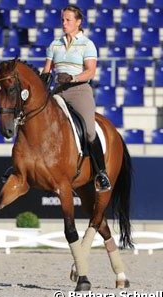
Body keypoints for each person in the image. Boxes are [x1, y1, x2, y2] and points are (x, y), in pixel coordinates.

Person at [41, 5, 111, 192]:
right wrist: (43, 81)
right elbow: (47, 70)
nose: (64, 23)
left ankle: (101, 173)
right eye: (63, 19)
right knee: (36, 118)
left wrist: (72, 78)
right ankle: (20, 165)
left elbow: (90, 71)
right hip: (58, 91)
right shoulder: (54, 44)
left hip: (79, 91)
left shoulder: (87, 44)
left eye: (68, 20)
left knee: (89, 131)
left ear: (78, 22)